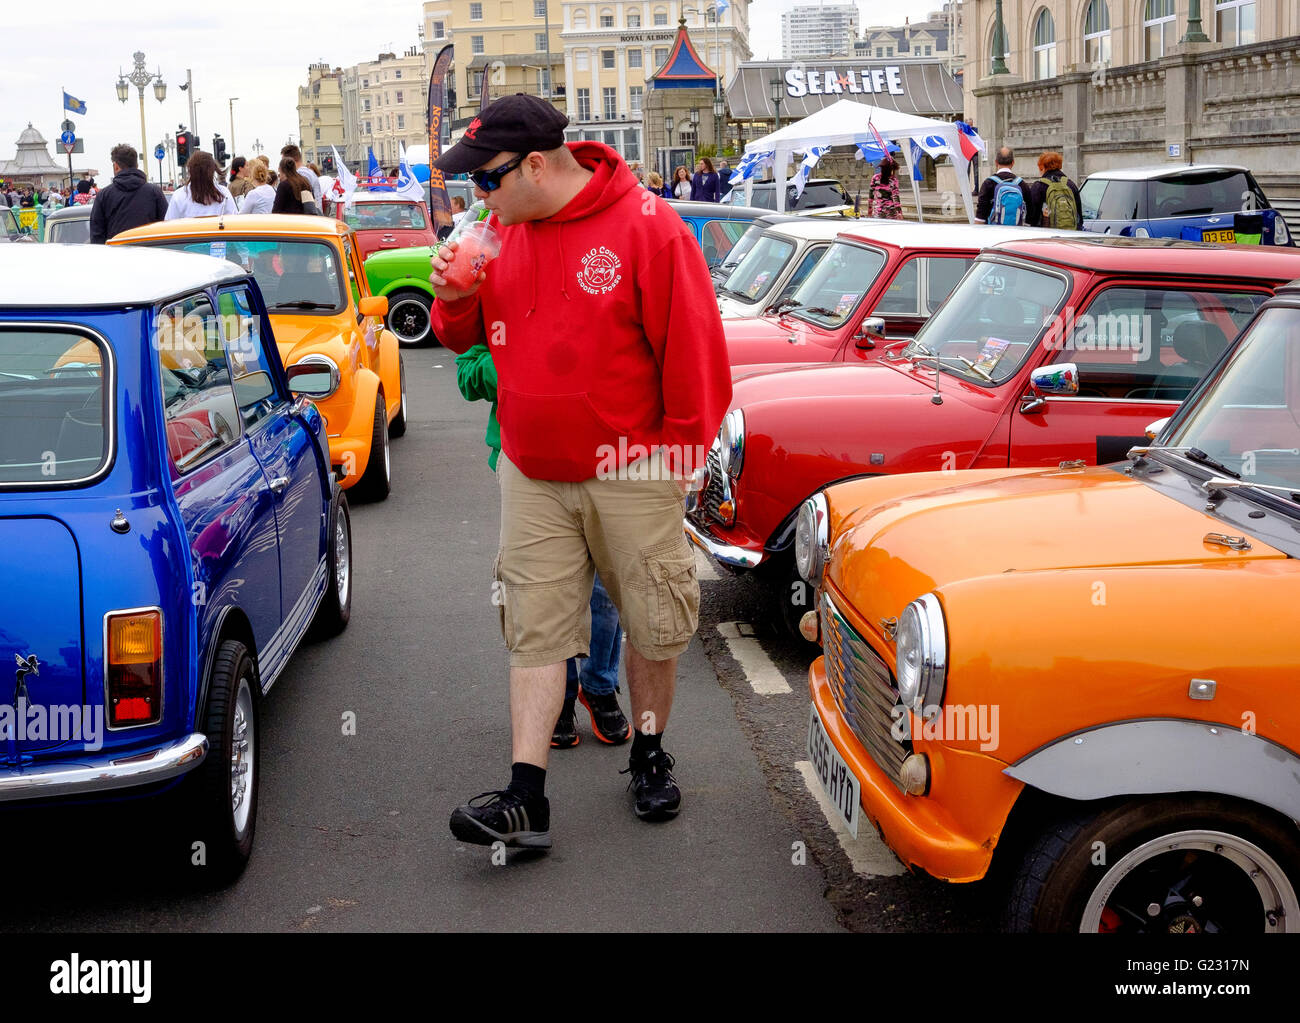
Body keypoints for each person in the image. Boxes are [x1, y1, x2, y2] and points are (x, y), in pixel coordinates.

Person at [428, 93, 730, 851]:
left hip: (631, 465)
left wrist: (683, 460)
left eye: (487, 181)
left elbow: (695, 355)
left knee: (653, 621)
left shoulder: (649, 228)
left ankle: (650, 752)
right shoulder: (501, 230)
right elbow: (466, 337)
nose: (478, 198)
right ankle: (525, 794)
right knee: (534, 623)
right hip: (531, 465)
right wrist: (454, 295)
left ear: (535, 164)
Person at [454, 340, 632, 750]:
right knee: (547, 591)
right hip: (528, 462)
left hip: (608, 455)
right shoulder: (500, 279)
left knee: (607, 586)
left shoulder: (600, 280)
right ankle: (562, 696)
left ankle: (599, 685)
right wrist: (527, 374)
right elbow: (468, 373)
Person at [89, 144, 169, 243]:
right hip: (149, 253)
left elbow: (97, 235)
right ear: (137, 166)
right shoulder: (154, 192)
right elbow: (166, 225)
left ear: (116, 166)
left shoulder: (104, 195)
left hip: (116, 253)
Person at [165, 151, 237, 219]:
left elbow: (169, 224)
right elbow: (234, 221)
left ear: (190, 170)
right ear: (212, 170)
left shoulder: (179, 195)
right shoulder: (223, 193)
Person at [975, 146, 1032, 225]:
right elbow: (1030, 215)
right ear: (1013, 163)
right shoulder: (1022, 185)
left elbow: (980, 217)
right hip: (1016, 234)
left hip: (994, 233)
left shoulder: (988, 184)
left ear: (996, 162)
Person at [1027, 151, 1083, 230]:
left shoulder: (1038, 187)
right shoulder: (1071, 185)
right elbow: (1079, 216)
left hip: (1046, 236)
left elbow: (1031, 217)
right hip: (1069, 235)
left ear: (1042, 167)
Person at [281, 144, 323, 211]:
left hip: (307, 217)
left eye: (283, 162)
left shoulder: (300, 175)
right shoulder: (309, 172)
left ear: (290, 161)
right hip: (315, 215)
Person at [866, 156, 903, 220]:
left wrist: (869, 211)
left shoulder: (875, 178)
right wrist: (900, 213)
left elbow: (871, 197)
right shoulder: (893, 180)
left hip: (878, 211)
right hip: (891, 212)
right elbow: (896, 198)